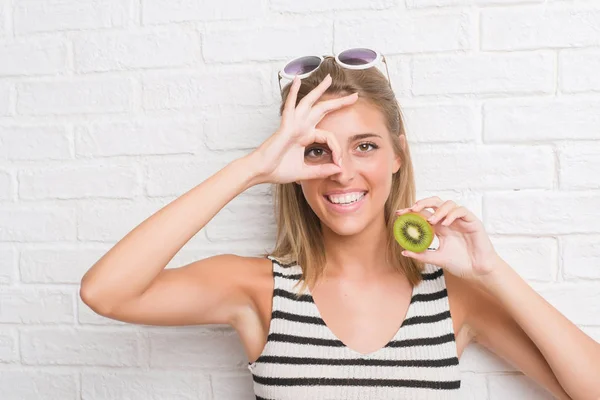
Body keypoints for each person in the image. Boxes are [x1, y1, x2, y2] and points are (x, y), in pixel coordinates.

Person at [80, 49, 600, 400]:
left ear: (397, 155)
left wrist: (492, 272)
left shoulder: (453, 296)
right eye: (315, 151)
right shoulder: (258, 288)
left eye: (365, 146)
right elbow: (106, 293)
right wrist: (252, 169)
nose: (342, 171)